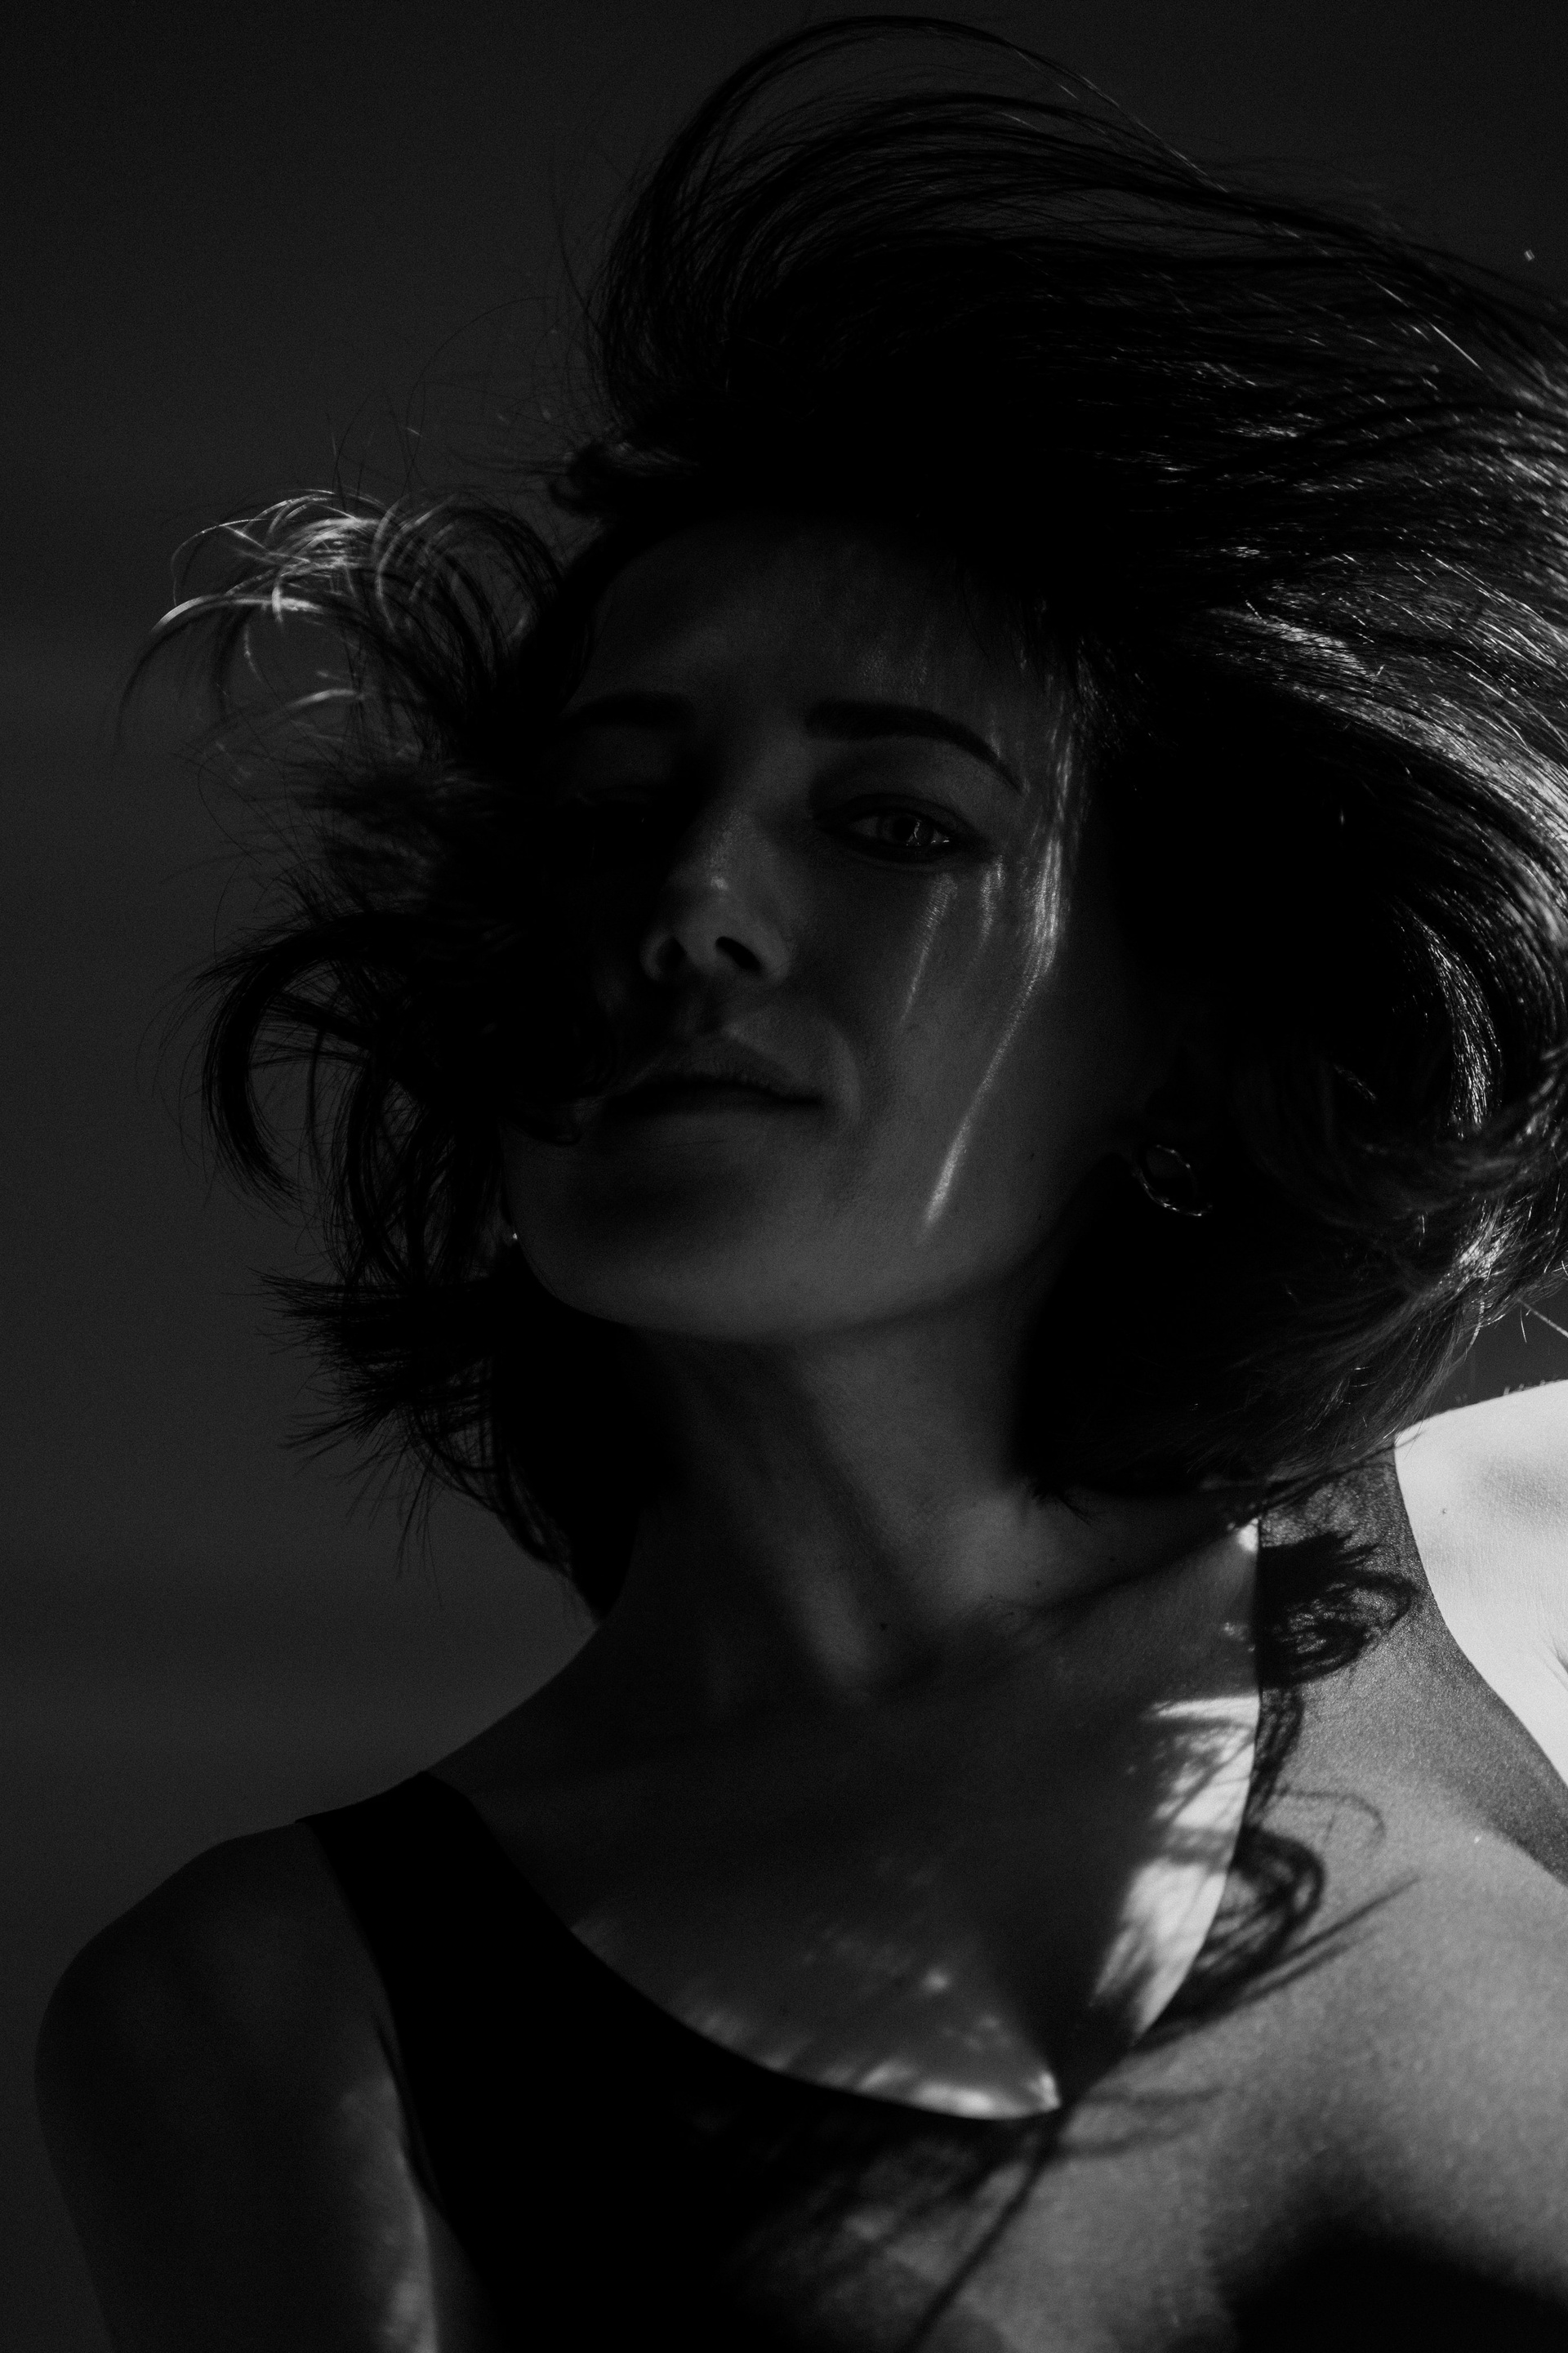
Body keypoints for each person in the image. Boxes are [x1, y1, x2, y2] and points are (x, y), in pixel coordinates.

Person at [34, 16, 1568, 2348]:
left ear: (1187, 1032)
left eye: (891, 823)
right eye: (609, 808)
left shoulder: (1540, 1575)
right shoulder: (290, 2016)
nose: (692, 905)